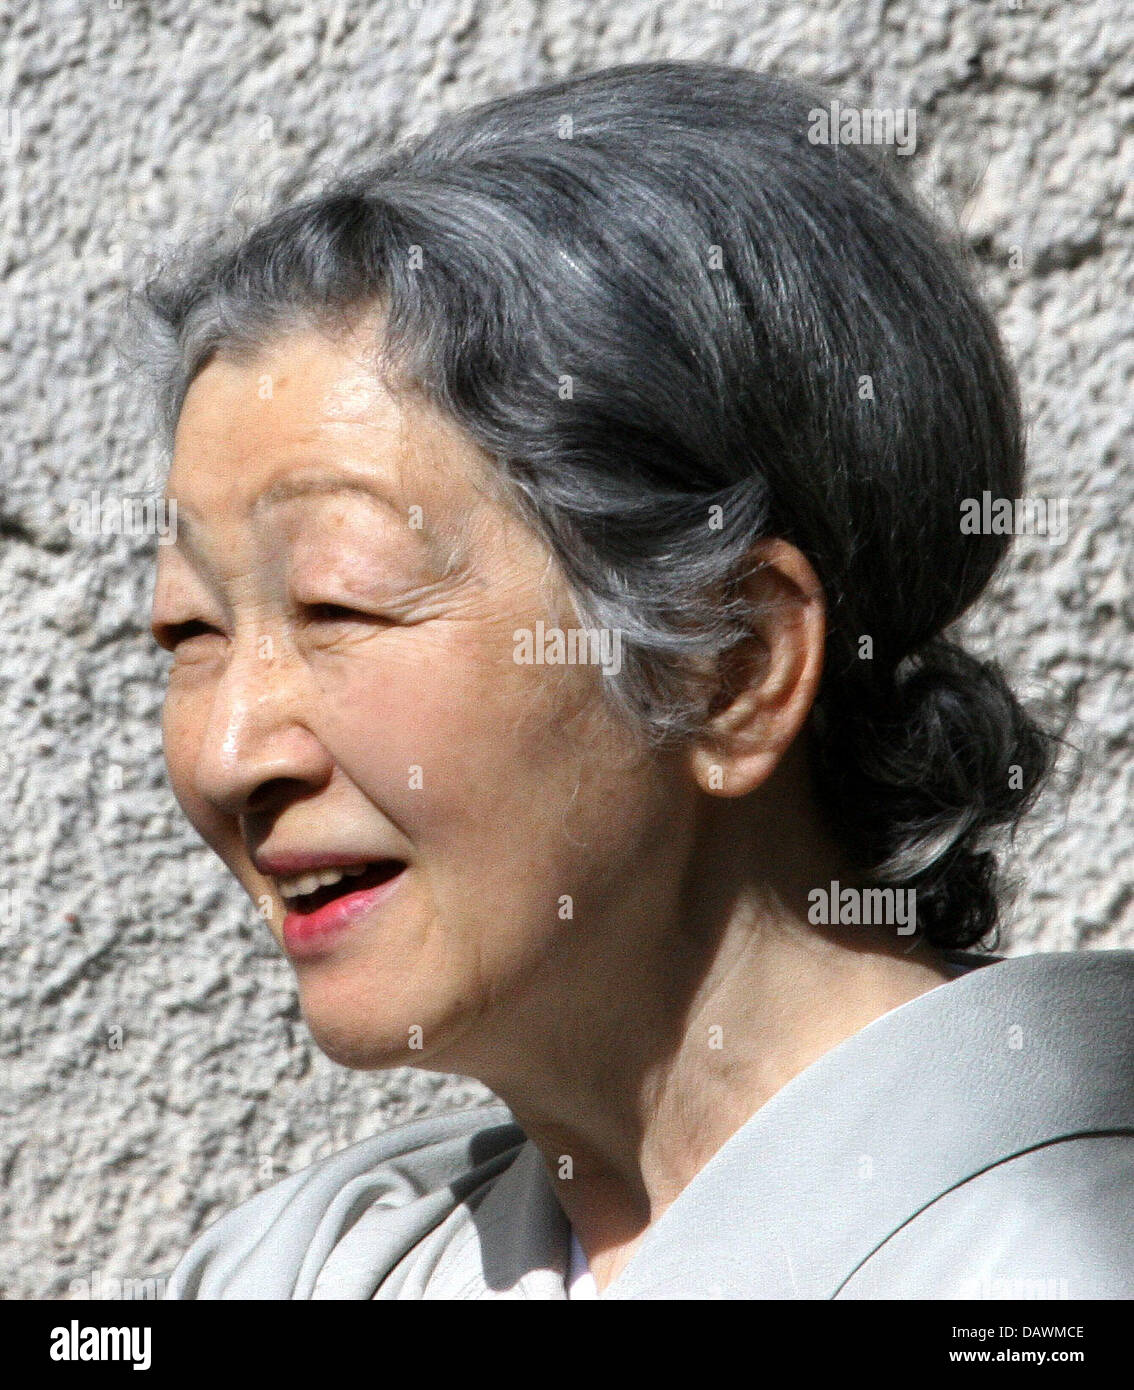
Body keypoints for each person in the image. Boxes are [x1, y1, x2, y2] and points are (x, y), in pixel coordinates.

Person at [137, 61, 1133, 1299]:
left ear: (731, 666)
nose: (231, 752)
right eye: (188, 633)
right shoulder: (302, 1273)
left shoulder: (1045, 1272)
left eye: (341, 600)